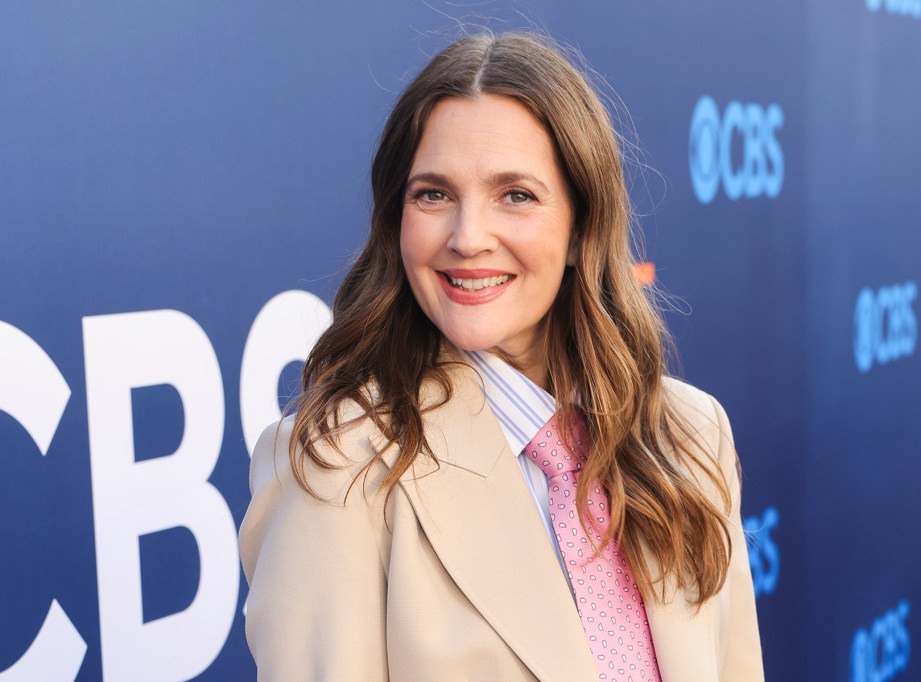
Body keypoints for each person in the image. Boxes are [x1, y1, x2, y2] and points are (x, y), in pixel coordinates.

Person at [239, 32, 764, 682]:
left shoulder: (690, 434)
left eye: (515, 195)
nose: (468, 237)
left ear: (582, 226)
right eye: (433, 194)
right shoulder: (336, 467)